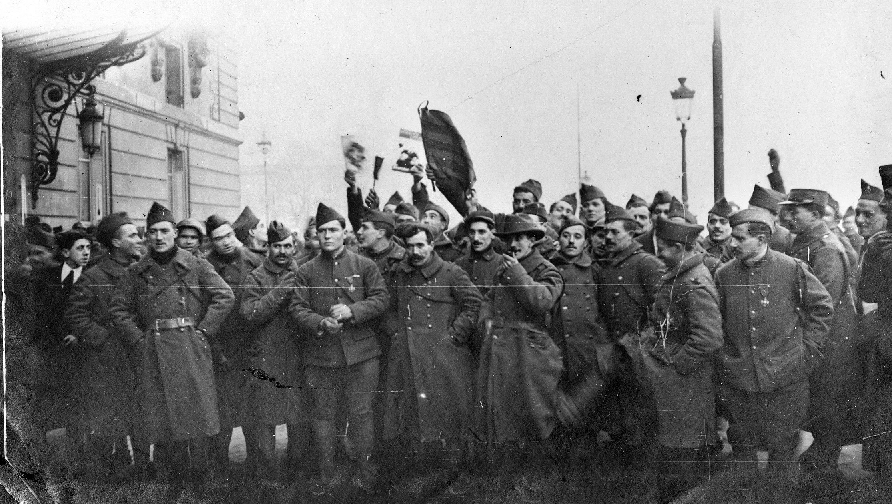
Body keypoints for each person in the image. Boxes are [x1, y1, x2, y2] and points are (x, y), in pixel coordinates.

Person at [110, 202, 234, 498]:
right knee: (164, 420)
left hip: (191, 348)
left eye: (164, 231)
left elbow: (224, 296)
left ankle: (202, 485)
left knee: (198, 418)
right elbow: (118, 309)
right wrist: (139, 340)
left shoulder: (195, 263)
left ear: (174, 233)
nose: (158, 237)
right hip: (154, 351)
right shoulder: (137, 271)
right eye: (151, 231)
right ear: (146, 235)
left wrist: (203, 331)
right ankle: (174, 486)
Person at [715, 208, 832, 498]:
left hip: (786, 379)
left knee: (782, 453)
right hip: (740, 381)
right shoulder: (724, 273)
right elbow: (715, 321)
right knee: (742, 449)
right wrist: (726, 360)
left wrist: (808, 351)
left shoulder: (791, 268)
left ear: (762, 238)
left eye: (740, 239)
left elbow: (822, 307)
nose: (732, 244)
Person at [289, 203, 389, 492]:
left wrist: (352, 311)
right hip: (322, 356)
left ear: (345, 233)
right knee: (323, 416)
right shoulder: (305, 270)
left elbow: (382, 299)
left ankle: (365, 474)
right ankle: (327, 475)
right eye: (322, 231)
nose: (327, 235)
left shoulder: (364, 265)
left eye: (333, 230)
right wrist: (321, 322)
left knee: (361, 414)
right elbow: (297, 308)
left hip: (362, 355)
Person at [381, 222, 482, 475]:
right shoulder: (399, 273)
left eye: (420, 245)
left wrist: (454, 335)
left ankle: (453, 467)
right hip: (408, 353)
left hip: (443, 354)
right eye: (410, 246)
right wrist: (395, 331)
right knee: (412, 408)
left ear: (432, 244)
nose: (415, 251)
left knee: (447, 407)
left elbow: (473, 303)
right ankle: (421, 466)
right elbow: (387, 307)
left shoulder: (451, 272)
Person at [778, 189, 859, 472]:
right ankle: (821, 455)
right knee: (817, 398)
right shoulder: (805, 242)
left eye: (795, 211)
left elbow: (825, 300)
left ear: (814, 213)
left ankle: (825, 461)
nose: (788, 217)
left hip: (829, 337)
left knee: (827, 397)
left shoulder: (825, 248)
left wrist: (809, 342)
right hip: (817, 335)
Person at [65, 213, 148, 481]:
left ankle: (143, 472)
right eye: (132, 235)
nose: (139, 239)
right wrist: (105, 340)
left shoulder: (143, 270)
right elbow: (75, 316)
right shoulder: (94, 276)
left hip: (140, 353)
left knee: (141, 416)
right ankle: (108, 480)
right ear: (115, 242)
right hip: (107, 362)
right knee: (108, 421)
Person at [477, 213, 564, 453]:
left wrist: (517, 273)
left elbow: (541, 301)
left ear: (533, 240)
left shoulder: (548, 271)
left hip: (529, 353)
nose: (513, 245)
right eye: (509, 239)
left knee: (533, 413)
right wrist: (485, 318)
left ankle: (535, 473)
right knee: (502, 410)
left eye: (520, 238)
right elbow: (490, 297)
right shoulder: (503, 268)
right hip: (502, 349)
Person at [650, 217, 723, 503]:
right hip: (679, 378)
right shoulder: (681, 274)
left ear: (681, 247)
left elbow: (708, 336)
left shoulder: (694, 281)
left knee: (683, 449)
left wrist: (677, 366)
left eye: (665, 248)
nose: (659, 254)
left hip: (686, 380)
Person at [240, 221, 315, 480]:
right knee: (265, 417)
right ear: (268, 248)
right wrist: (282, 289)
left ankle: (297, 470)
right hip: (267, 355)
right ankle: (268, 474)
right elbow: (250, 313)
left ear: (294, 247)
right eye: (276, 246)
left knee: (299, 416)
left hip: (298, 353)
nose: (282, 251)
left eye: (287, 246)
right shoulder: (256, 277)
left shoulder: (304, 272)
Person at [594, 203, 665, 456]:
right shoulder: (606, 267)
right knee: (621, 416)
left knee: (643, 419)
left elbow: (664, 312)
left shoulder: (647, 264)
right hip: (614, 353)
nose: (608, 237)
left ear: (632, 233)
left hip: (641, 354)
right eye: (605, 233)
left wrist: (641, 345)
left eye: (615, 232)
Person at [203, 214, 264, 479]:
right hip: (222, 347)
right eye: (218, 238)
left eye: (228, 236)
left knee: (254, 410)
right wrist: (215, 349)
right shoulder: (203, 266)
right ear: (211, 241)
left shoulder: (255, 261)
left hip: (252, 343)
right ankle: (220, 470)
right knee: (224, 411)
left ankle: (258, 467)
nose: (225, 242)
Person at [31, 228, 92, 477]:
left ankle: (81, 458)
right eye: (80, 248)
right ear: (65, 252)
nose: (86, 253)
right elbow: (39, 313)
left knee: (80, 403)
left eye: (89, 248)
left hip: (83, 352)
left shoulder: (93, 276)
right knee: (52, 400)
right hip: (53, 351)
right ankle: (48, 460)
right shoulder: (47, 276)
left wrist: (80, 335)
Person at [549, 216, 610, 434]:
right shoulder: (549, 268)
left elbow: (604, 310)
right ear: (558, 239)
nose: (571, 242)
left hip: (587, 352)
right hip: (557, 350)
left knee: (586, 417)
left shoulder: (595, 270)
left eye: (577, 236)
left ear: (586, 242)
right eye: (566, 236)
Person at [858, 165, 892, 481]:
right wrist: (875, 258)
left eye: (890, 201)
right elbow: (866, 291)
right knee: (882, 410)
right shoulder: (878, 244)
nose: (887, 208)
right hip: (886, 341)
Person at [455, 211, 503, 298]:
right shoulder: (459, 264)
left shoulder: (502, 263)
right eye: (472, 232)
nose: (476, 238)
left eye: (481, 232)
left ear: (493, 233)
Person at [747, 185, 793, 254]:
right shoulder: (739, 231)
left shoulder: (784, 236)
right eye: (749, 211)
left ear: (774, 216)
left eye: (758, 213)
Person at [699, 197, 735, 265]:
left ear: (732, 226)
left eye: (723, 222)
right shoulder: (700, 247)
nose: (717, 226)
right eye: (713, 221)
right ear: (707, 226)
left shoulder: (736, 249)